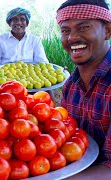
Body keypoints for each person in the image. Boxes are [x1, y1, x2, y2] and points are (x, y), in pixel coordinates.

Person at [56, 0, 111, 178]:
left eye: (83, 27)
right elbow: (66, 137)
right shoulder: (71, 85)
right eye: (65, 30)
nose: (72, 37)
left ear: (107, 31)